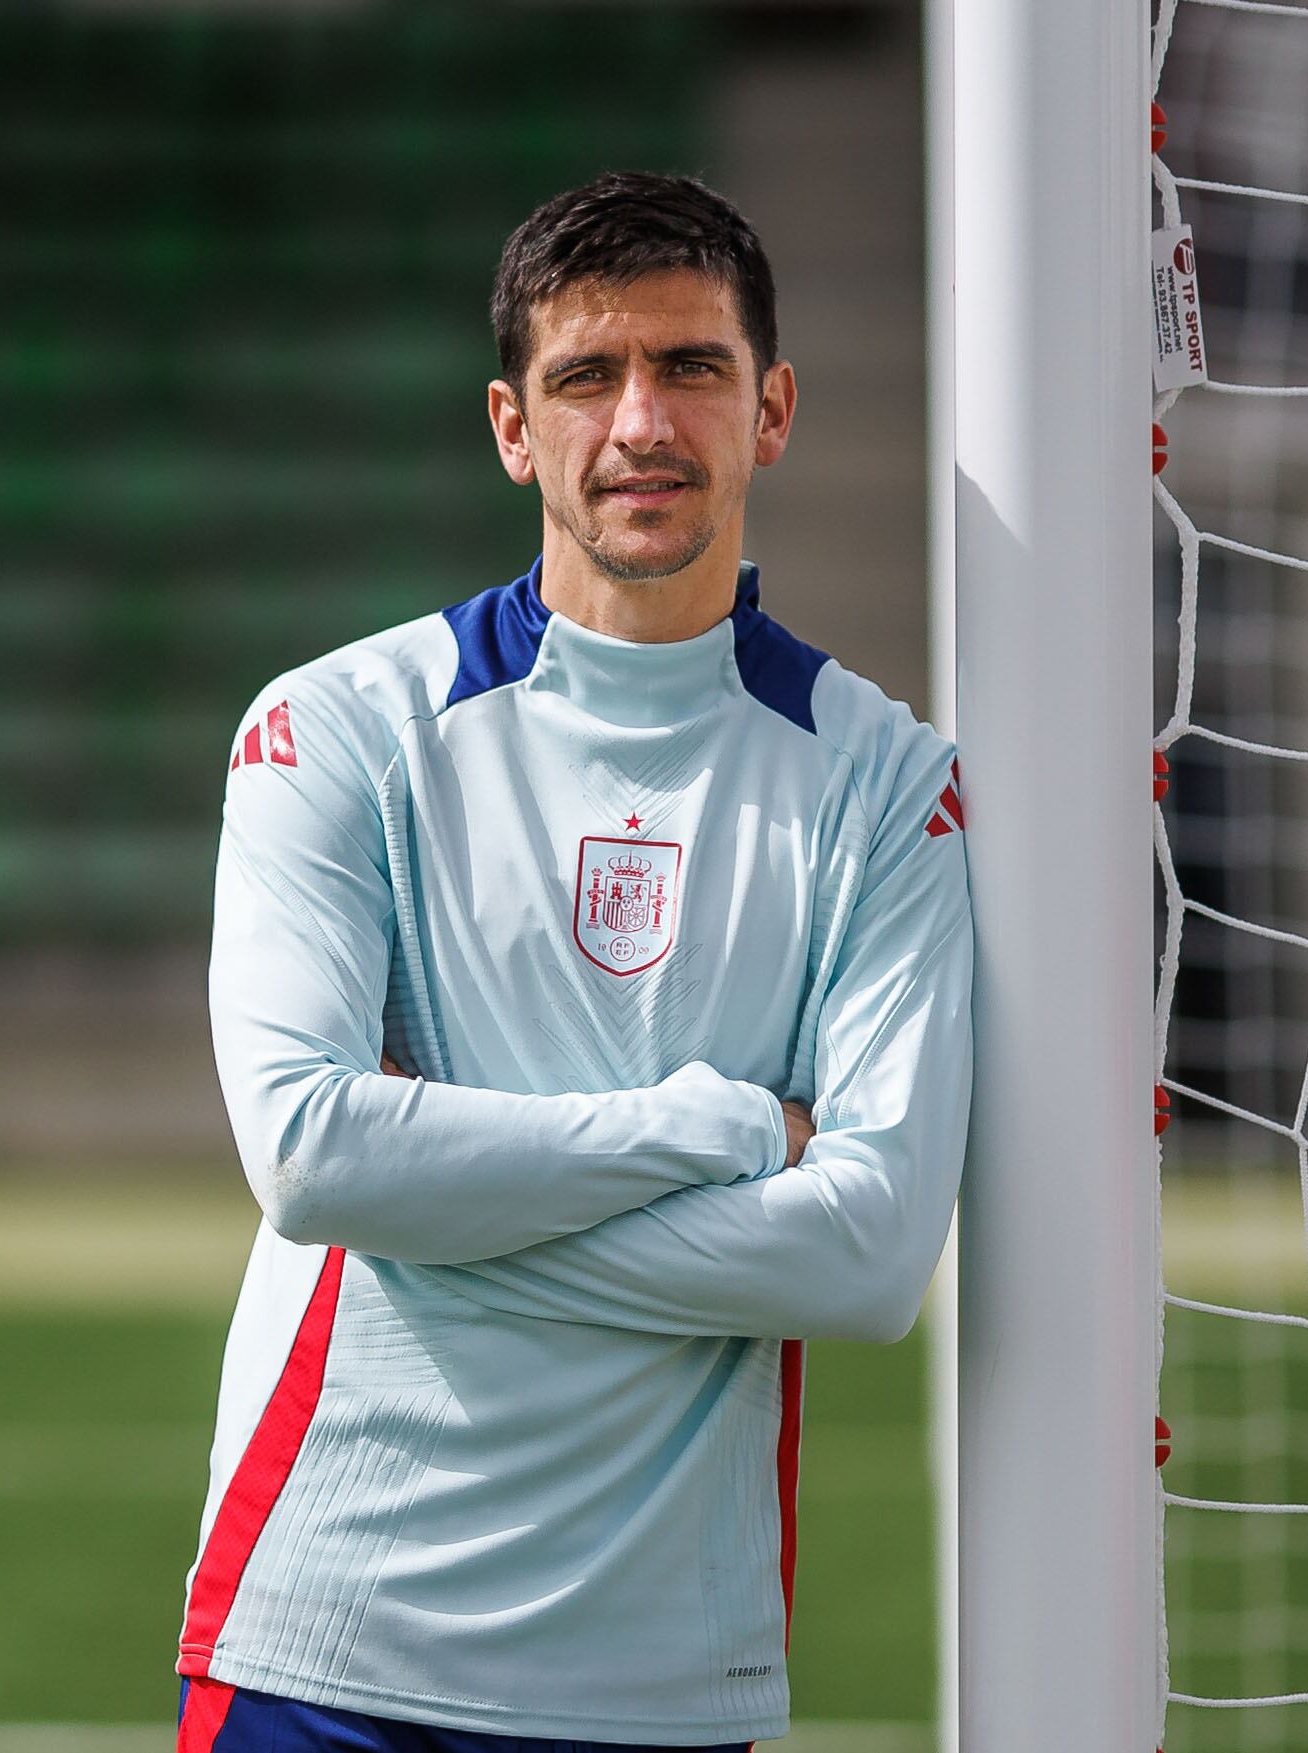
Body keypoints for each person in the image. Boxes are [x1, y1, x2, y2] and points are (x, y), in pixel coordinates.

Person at [174, 171, 973, 1753]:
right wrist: (734, 1128)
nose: (639, 425)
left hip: (657, 1675)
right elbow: (315, 1157)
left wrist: (444, 1196)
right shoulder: (339, 729)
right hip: (327, 1639)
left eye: (691, 367)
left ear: (775, 405)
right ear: (508, 424)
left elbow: (870, 1259)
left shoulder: (886, 780)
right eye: (585, 376)